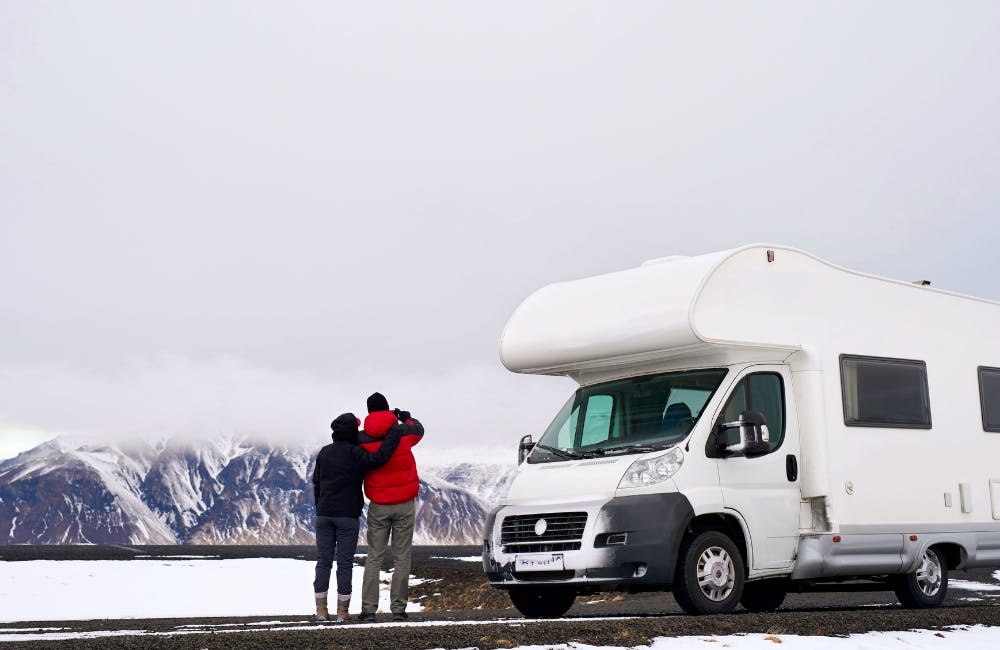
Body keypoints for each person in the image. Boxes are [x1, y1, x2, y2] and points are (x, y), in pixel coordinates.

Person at [311, 412, 402, 622]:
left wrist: (320, 507)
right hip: (347, 516)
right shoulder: (355, 452)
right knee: (344, 563)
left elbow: (316, 483)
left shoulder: (324, 453)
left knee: (323, 562)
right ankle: (342, 612)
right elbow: (378, 459)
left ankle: (321, 611)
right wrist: (393, 435)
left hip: (324, 515)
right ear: (353, 431)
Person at [358, 392, 424, 622]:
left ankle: (368, 609)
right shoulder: (403, 434)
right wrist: (405, 418)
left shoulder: (362, 439)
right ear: (387, 410)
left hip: (378, 506)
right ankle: (398, 609)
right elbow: (419, 429)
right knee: (402, 557)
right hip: (404, 504)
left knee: (374, 556)